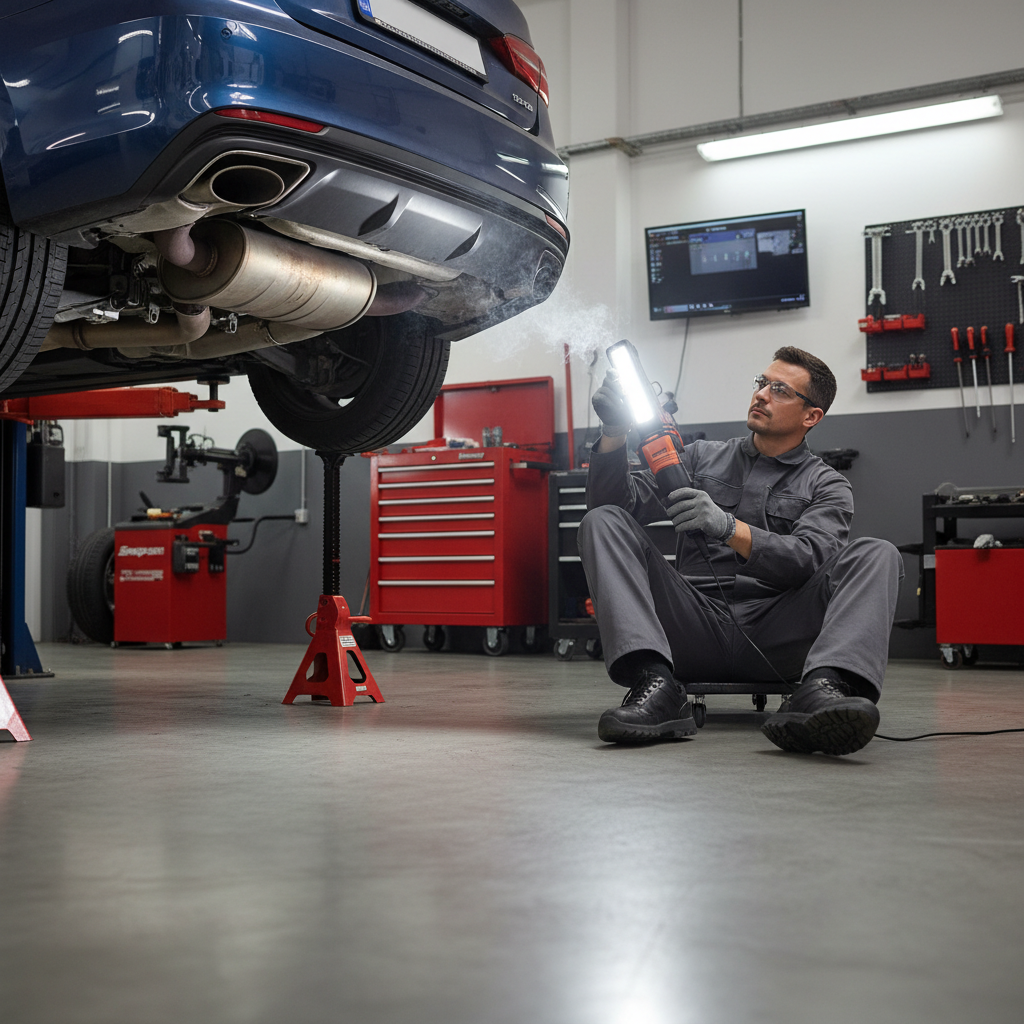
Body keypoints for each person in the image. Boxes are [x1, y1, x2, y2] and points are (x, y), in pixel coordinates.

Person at [578, 345, 903, 756]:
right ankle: (655, 683)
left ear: (811, 416)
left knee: (878, 553)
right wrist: (613, 434)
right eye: (762, 383)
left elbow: (809, 560)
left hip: (779, 634)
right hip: (691, 626)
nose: (762, 394)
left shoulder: (828, 485)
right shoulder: (699, 458)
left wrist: (730, 529)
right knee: (602, 521)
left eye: (780, 390)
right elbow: (613, 505)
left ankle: (822, 692)